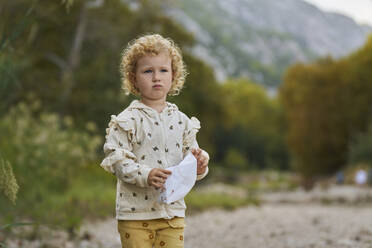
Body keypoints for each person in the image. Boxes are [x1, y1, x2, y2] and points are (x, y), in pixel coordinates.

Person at [100, 34, 210, 248]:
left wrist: (200, 165)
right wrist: (146, 174)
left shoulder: (183, 122)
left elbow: (190, 163)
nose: (156, 77)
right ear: (134, 79)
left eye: (163, 70)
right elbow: (116, 160)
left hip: (173, 214)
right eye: (148, 71)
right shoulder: (126, 120)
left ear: (173, 75)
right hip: (135, 215)